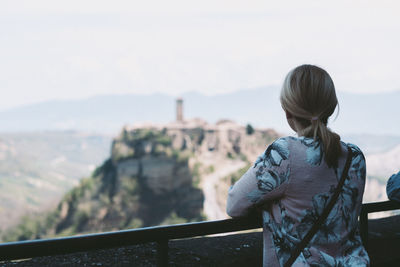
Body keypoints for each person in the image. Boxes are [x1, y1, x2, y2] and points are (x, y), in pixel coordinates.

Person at [226, 65, 369, 266]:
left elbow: (234, 205)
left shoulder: (284, 154)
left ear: (287, 111)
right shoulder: (355, 157)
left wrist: (270, 205)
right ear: (332, 106)